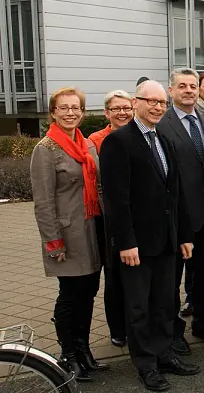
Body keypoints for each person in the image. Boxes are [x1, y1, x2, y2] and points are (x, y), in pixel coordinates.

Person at [100, 80, 199, 391]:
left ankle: (164, 352)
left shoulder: (164, 140)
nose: (158, 107)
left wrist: (184, 235)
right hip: (137, 246)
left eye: (161, 103)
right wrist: (126, 242)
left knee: (164, 302)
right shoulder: (119, 142)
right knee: (139, 306)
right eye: (151, 101)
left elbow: (176, 193)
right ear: (135, 103)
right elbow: (117, 200)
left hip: (167, 241)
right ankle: (145, 364)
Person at [31, 87, 108, 383]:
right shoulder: (46, 149)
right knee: (70, 296)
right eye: (63, 108)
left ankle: (84, 350)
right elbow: (43, 201)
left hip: (91, 230)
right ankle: (68, 356)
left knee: (88, 293)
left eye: (75, 108)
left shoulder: (86, 144)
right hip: (67, 235)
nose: (70, 113)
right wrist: (53, 242)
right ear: (53, 112)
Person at [157, 68, 204, 354]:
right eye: (181, 86)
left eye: (192, 86)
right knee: (171, 279)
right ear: (170, 91)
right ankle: (173, 333)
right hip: (177, 216)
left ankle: (203, 323)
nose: (188, 90)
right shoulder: (161, 124)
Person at [88, 90, 132, 349]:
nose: (122, 113)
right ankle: (118, 328)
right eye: (116, 109)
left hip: (133, 213)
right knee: (114, 274)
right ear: (107, 113)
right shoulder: (96, 141)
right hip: (108, 216)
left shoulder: (139, 134)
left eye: (126, 107)